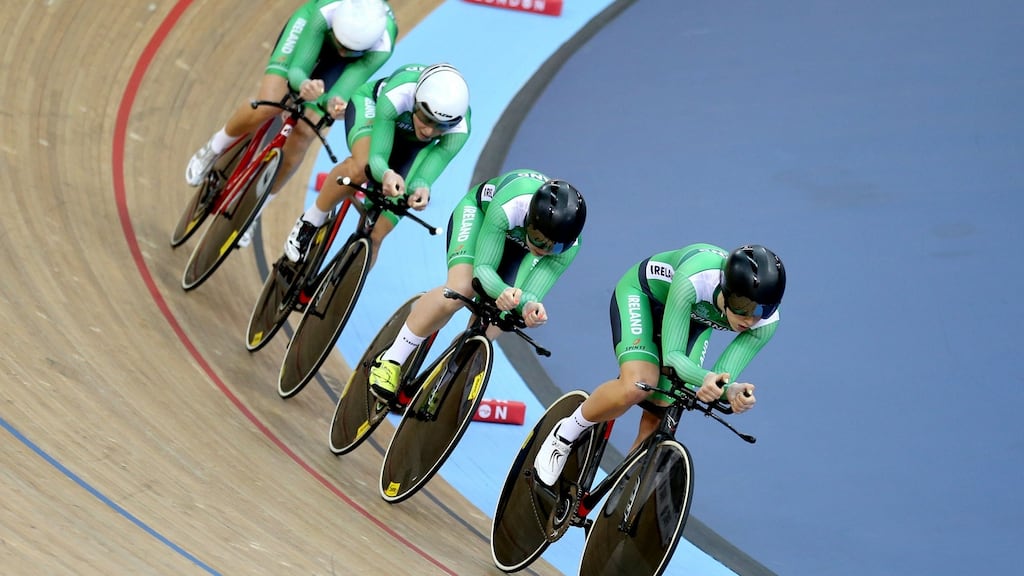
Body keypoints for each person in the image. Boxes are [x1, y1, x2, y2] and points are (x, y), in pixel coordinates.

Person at [533, 243, 786, 486]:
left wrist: (730, 391)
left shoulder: (765, 323)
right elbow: (674, 357)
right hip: (644, 296)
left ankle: (622, 494)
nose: (751, 319)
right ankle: (564, 433)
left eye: (763, 310)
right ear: (727, 290)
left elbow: (720, 377)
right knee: (638, 384)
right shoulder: (696, 278)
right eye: (744, 307)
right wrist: (706, 378)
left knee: (665, 409)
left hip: (693, 320)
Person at [184, 0, 397, 246]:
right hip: (310, 32)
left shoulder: (381, 45)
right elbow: (297, 70)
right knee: (268, 103)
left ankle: (257, 208)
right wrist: (303, 84)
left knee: (306, 132)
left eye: (351, 50)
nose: (343, 51)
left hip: (343, 67)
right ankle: (214, 147)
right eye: (341, 45)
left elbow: (343, 89)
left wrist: (333, 104)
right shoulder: (323, 15)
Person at [365, 169, 587, 401]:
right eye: (540, 239)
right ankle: (391, 359)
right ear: (530, 219)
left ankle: (441, 384)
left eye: (555, 247)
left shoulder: (568, 246)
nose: (544, 250)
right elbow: (482, 271)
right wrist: (501, 291)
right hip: (481, 218)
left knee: (501, 319)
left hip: (519, 248)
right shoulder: (511, 204)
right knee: (461, 289)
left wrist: (529, 308)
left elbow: (531, 293)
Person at [282, 62, 472, 266]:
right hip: (373, 112)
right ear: (416, 102)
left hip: (411, 147)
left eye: (440, 126)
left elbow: (424, 176)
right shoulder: (397, 95)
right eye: (425, 118)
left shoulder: (460, 130)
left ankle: (338, 290)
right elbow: (378, 158)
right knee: (362, 167)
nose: (428, 131)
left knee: (378, 233)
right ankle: (310, 221)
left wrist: (420, 189)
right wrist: (386, 174)